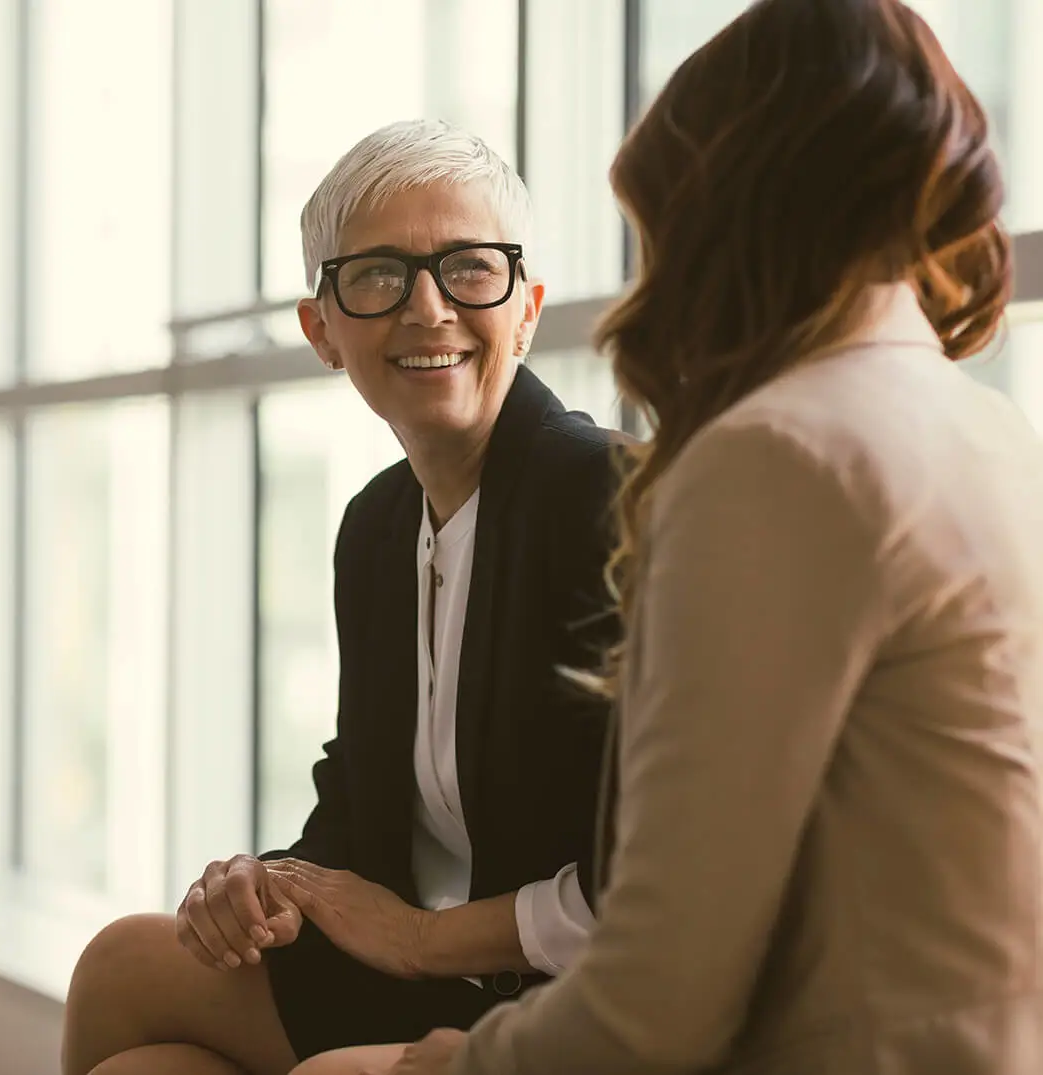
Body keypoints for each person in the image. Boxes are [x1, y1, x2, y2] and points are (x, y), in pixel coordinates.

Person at [327, 1, 1043, 1073]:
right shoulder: (986, 428)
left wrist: (429, 1060)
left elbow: (650, 1003)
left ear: (720, 213)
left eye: (654, 230)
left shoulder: (777, 456)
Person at [61, 119, 625, 1075]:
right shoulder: (374, 525)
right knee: (121, 970)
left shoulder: (602, 497)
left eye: (469, 269)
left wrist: (418, 940)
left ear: (525, 308)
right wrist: (268, 882)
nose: (429, 308)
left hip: (578, 988)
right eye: (377, 276)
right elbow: (365, 796)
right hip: (433, 971)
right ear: (320, 329)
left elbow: (661, 878)